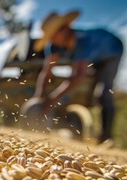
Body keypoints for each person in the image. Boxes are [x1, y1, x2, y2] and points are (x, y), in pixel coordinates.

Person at [33, 10, 124, 143]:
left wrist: (51, 101)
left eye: (53, 35)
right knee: (78, 87)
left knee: (103, 92)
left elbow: (78, 76)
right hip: (91, 56)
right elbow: (46, 72)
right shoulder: (54, 46)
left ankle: (106, 138)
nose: (51, 40)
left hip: (111, 51)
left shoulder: (83, 41)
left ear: (64, 29)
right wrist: (38, 98)